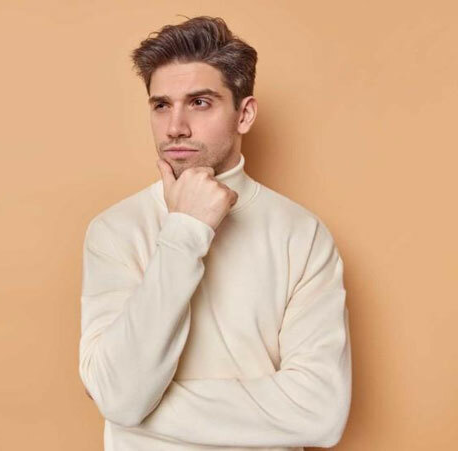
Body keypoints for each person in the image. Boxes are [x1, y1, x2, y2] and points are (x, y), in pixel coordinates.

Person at [78, 15, 352, 451]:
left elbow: (320, 413)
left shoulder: (302, 234)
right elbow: (120, 395)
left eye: (200, 103)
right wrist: (184, 232)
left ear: (245, 114)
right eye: (161, 105)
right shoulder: (115, 230)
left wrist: (136, 413)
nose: (175, 127)